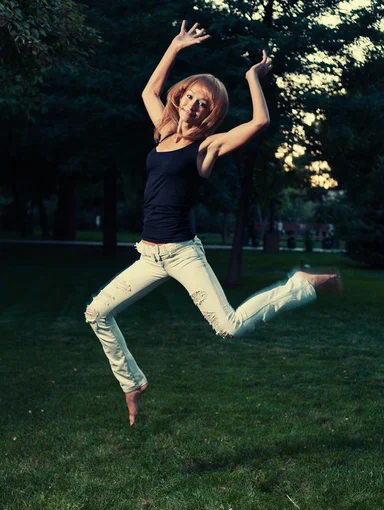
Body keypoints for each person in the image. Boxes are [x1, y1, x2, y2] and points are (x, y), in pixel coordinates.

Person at [85, 21, 341, 426]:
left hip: (183, 253)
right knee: (97, 312)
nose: (194, 105)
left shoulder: (206, 146)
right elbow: (149, 91)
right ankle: (132, 382)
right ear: (182, 97)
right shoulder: (164, 131)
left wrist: (252, 77)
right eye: (191, 97)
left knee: (231, 328)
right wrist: (174, 46)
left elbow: (258, 124)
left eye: (204, 103)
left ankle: (299, 286)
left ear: (211, 113)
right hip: (149, 255)